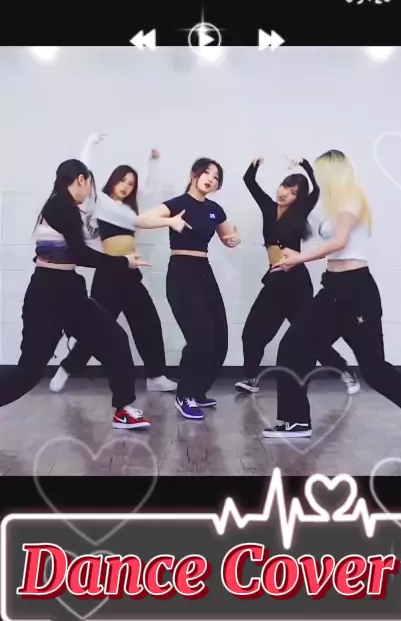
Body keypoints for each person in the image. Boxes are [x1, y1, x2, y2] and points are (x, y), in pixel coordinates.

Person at [0, 158, 188, 429]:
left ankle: (123, 409)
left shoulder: (67, 207)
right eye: (89, 184)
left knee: (116, 340)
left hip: (69, 291)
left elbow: (80, 252)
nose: (90, 192)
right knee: (29, 373)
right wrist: (123, 262)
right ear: (81, 180)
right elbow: (81, 254)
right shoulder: (60, 207)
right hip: (47, 295)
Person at [263, 149, 401, 439]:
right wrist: (302, 166)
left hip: (355, 292)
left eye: (322, 172)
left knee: (375, 370)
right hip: (333, 289)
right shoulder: (333, 205)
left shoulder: (352, 198)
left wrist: (300, 258)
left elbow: (340, 242)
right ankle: (295, 421)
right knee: (294, 346)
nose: (319, 178)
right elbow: (329, 234)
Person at [49, 134, 177, 394]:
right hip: (108, 275)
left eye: (131, 183)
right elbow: (84, 171)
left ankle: (156, 375)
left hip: (131, 274)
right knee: (97, 327)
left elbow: (151, 190)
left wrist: (153, 162)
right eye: (122, 180)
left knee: (148, 323)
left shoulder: (130, 211)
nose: (126, 186)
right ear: (112, 180)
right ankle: (67, 368)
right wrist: (90, 143)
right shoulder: (99, 202)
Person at [236, 156, 358, 395]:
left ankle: (345, 372)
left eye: (293, 192)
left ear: (298, 198)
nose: (285, 193)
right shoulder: (268, 208)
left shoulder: (300, 211)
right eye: (285, 187)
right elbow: (248, 180)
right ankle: (251, 378)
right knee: (252, 332)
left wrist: (305, 165)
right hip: (274, 282)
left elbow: (317, 189)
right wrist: (255, 163)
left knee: (309, 334)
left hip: (296, 284)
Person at [138, 158, 241, 420]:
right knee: (200, 337)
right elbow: (142, 219)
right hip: (181, 273)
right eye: (207, 173)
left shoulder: (215, 209)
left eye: (216, 177)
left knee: (220, 338)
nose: (211, 179)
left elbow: (228, 238)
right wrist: (169, 222)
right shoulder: (178, 204)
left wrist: (235, 239)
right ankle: (185, 394)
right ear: (194, 174)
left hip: (204, 272)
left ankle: (197, 391)